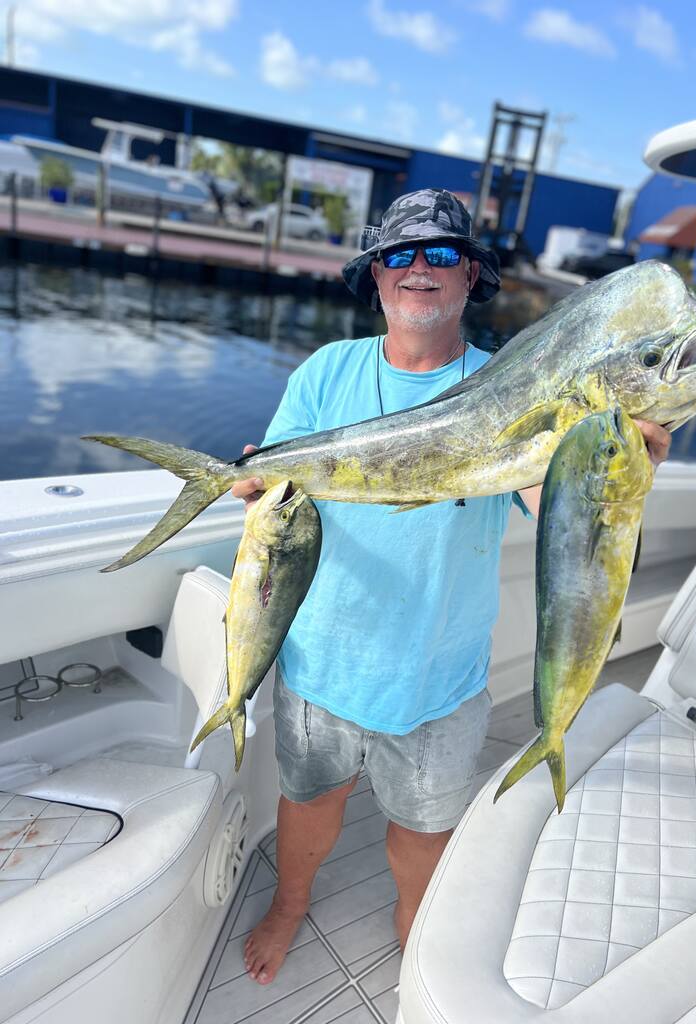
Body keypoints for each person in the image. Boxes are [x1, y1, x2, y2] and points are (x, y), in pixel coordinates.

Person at [232, 188, 672, 985]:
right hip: (321, 663)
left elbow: (549, 503)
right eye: (400, 254)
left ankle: (417, 927)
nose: (420, 269)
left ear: (473, 277)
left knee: (422, 833)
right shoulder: (325, 373)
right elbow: (279, 490)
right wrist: (256, 481)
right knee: (308, 807)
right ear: (376, 278)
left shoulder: (518, 384)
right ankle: (292, 903)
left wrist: (615, 471)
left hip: (441, 676)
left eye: (443, 254)